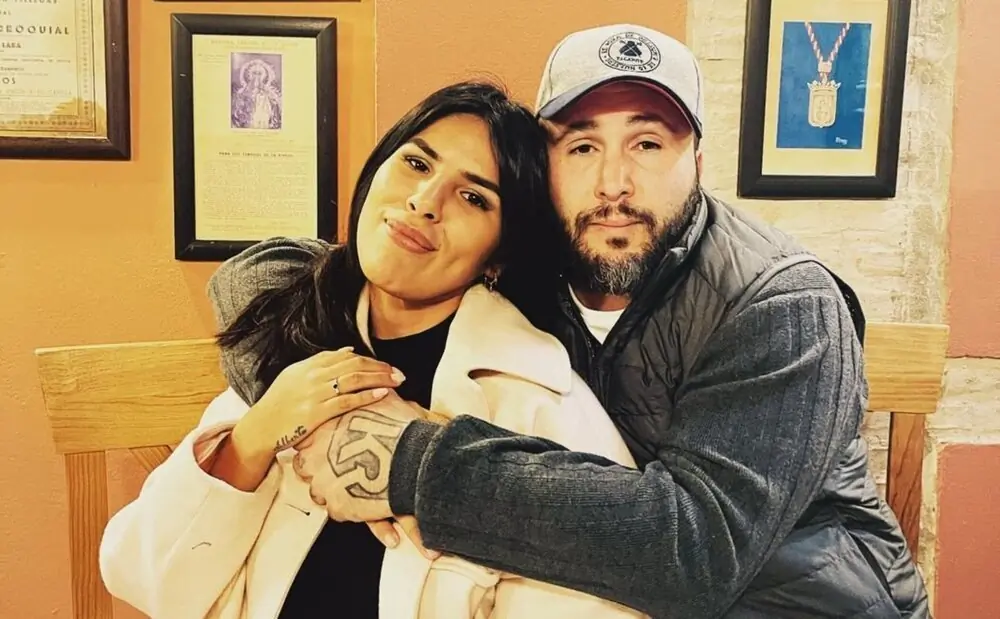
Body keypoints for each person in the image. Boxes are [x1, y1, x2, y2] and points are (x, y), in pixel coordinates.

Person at [302, 24, 931, 618]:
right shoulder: (526, 260)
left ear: (698, 162)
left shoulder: (781, 304)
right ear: (545, 165)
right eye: (582, 146)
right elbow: (300, 271)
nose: (612, 184)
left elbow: (694, 552)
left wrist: (414, 466)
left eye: (647, 144)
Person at [98, 81, 648, 619]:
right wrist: (255, 434)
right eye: (417, 163)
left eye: (473, 197)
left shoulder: (536, 403)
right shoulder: (291, 343)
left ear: (499, 255)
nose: (425, 201)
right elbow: (143, 579)